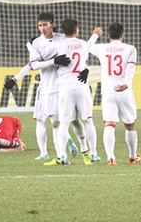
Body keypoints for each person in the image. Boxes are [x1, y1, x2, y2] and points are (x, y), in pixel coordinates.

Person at [4, 12, 87, 162]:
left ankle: (84, 149)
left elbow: (79, 53)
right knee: (53, 121)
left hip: (64, 85)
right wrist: (53, 61)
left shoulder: (62, 40)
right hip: (47, 87)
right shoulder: (37, 43)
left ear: (52, 25)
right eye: (39, 25)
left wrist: (84, 69)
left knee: (72, 120)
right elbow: (34, 64)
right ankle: (60, 154)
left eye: (45, 24)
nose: (42, 28)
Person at [38, 18, 102, 165]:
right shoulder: (83, 44)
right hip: (82, 87)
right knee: (88, 121)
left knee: (64, 123)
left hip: (66, 89)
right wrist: (95, 34)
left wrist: (52, 59)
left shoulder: (58, 46)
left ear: (62, 31)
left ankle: (62, 156)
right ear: (76, 31)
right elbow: (90, 45)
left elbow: (40, 58)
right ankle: (93, 154)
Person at [88, 22, 141, 166]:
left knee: (109, 125)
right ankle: (132, 156)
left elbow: (87, 47)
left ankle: (110, 157)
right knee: (130, 125)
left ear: (108, 35)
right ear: (122, 35)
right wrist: (127, 84)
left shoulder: (102, 48)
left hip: (108, 92)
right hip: (125, 91)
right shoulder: (130, 49)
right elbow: (131, 68)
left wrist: (94, 35)